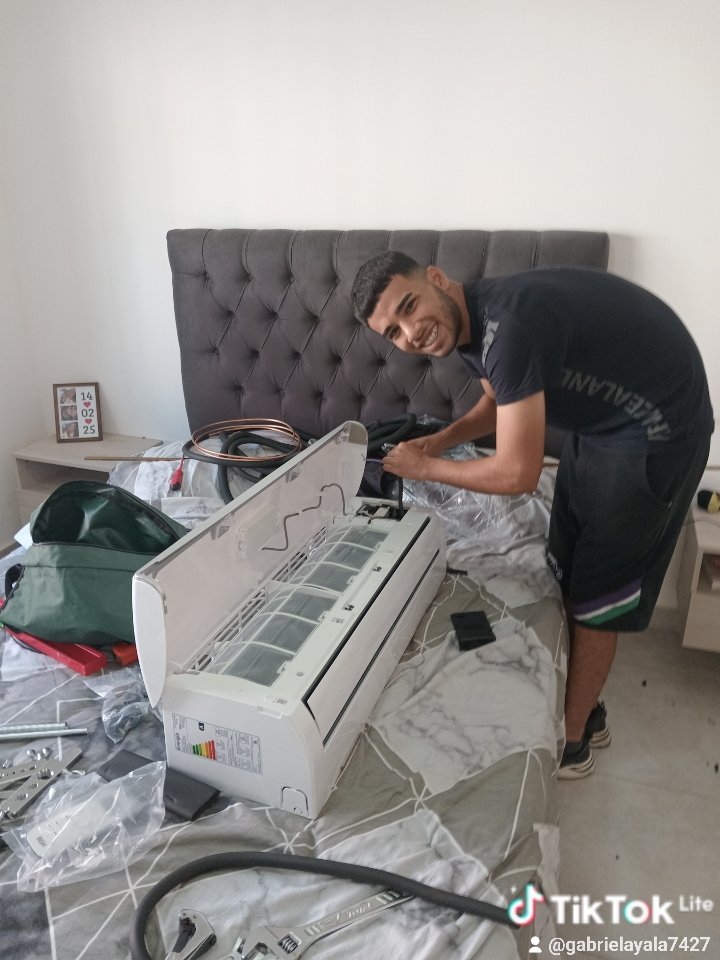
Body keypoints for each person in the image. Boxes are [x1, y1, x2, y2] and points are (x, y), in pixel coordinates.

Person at [351, 251, 714, 779]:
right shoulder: (469, 321)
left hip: (658, 428)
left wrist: (425, 469)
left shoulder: (511, 327)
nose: (411, 335)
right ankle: (587, 706)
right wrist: (442, 441)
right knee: (566, 554)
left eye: (408, 307)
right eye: (393, 333)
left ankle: (573, 744)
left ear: (436, 279)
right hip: (604, 425)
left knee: (597, 596)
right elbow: (496, 402)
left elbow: (519, 473)